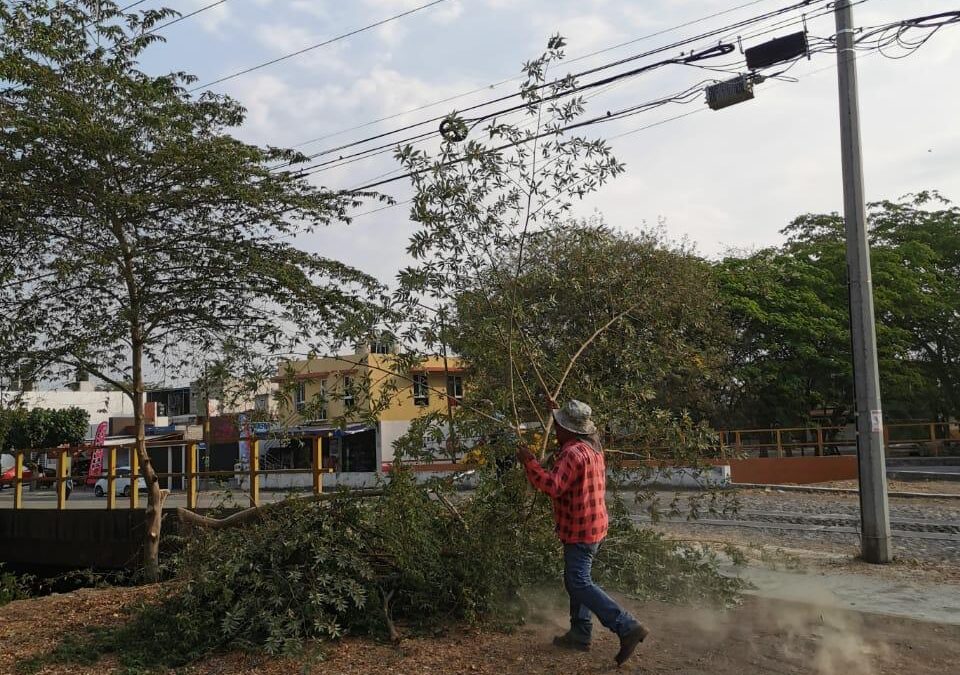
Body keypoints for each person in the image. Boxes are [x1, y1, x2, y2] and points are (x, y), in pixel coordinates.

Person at [516, 399, 649, 667]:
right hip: (594, 526)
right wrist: (558, 409)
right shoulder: (593, 446)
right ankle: (580, 633)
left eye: (559, 425)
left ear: (569, 430)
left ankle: (626, 626)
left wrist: (529, 462)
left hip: (580, 529)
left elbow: (553, 486)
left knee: (577, 582)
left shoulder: (572, 454)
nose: (555, 429)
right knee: (578, 579)